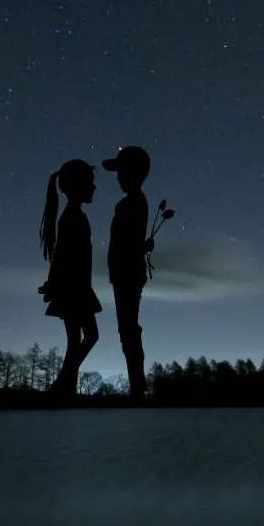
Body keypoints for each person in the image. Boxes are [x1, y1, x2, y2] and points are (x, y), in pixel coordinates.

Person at [38, 159, 102, 398]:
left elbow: (60, 255)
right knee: (88, 336)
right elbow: (63, 254)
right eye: (90, 183)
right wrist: (53, 283)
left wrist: (53, 282)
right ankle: (62, 385)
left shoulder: (72, 216)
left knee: (77, 340)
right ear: (77, 186)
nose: (94, 188)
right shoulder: (72, 217)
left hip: (75, 287)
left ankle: (64, 389)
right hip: (75, 289)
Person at [102, 146, 151, 397]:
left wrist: (138, 248)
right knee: (128, 328)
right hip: (125, 273)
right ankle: (137, 384)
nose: (118, 178)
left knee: (128, 329)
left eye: (121, 172)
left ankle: (137, 386)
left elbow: (127, 241)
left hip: (126, 274)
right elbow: (133, 241)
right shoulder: (134, 202)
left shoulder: (131, 203)